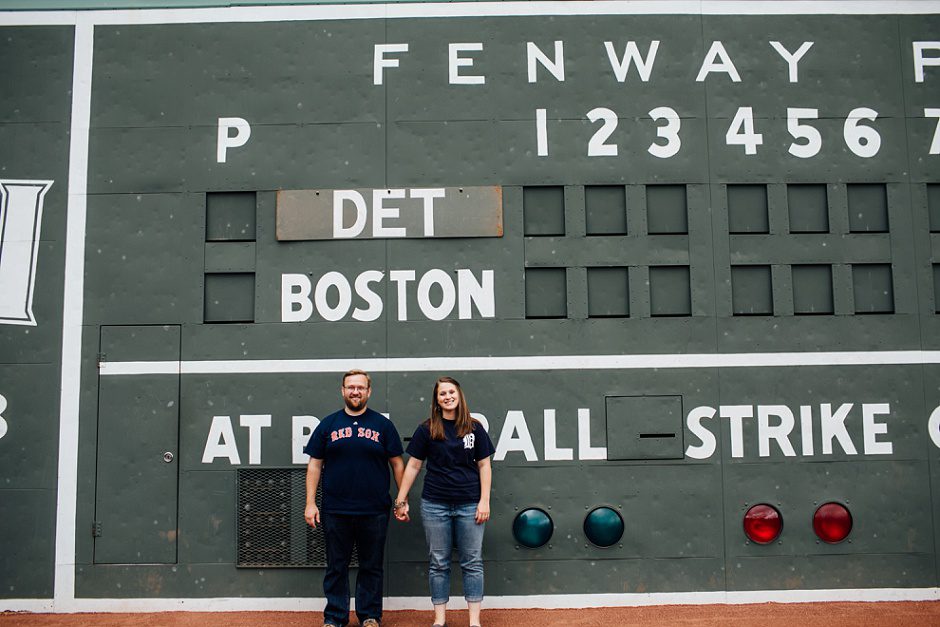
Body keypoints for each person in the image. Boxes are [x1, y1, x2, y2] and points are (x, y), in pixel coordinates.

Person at [304, 369, 405, 627]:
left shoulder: (383, 425)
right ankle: (335, 617)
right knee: (336, 567)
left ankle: (369, 615)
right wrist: (310, 502)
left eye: (360, 387)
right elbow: (315, 464)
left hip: (374, 510)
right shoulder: (328, 424)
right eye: (351, 387)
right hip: (336, 509)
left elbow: (397, 463)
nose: (355, 391)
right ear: (343, 390)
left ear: (369, 391)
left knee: (371, 566)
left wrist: (401, 499)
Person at [394, 376, 495, 627]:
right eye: (442, 394)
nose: (447, 396)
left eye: (451, 392)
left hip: (470, 504)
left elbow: (484, 465)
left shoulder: (474, 428)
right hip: (434, 505)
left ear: (459, 396)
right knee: (439, 563)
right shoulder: (426, 429)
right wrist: (401, 498)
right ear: (436, 400)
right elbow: (414, 465)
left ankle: (474, 622)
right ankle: (439, 620)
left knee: (472, 562)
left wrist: (484, 501)